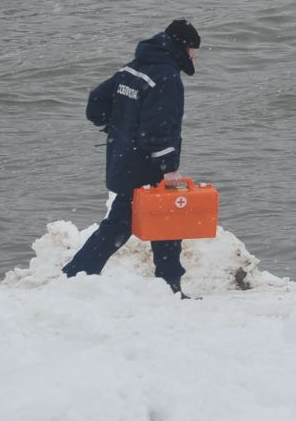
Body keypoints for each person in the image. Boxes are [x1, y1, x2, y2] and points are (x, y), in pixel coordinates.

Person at [63, 19, 202, 295]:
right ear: (184, 47)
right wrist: (167, 167)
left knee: (144, 222)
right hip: (146, 166)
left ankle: (166, 285)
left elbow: (96, 104)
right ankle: (76, 276)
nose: (195, 55)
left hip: (123, 160)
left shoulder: (133, 68)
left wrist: (118, 128)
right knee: (158, 221)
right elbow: (158, 128)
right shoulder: (166, 77)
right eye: (195, 49)